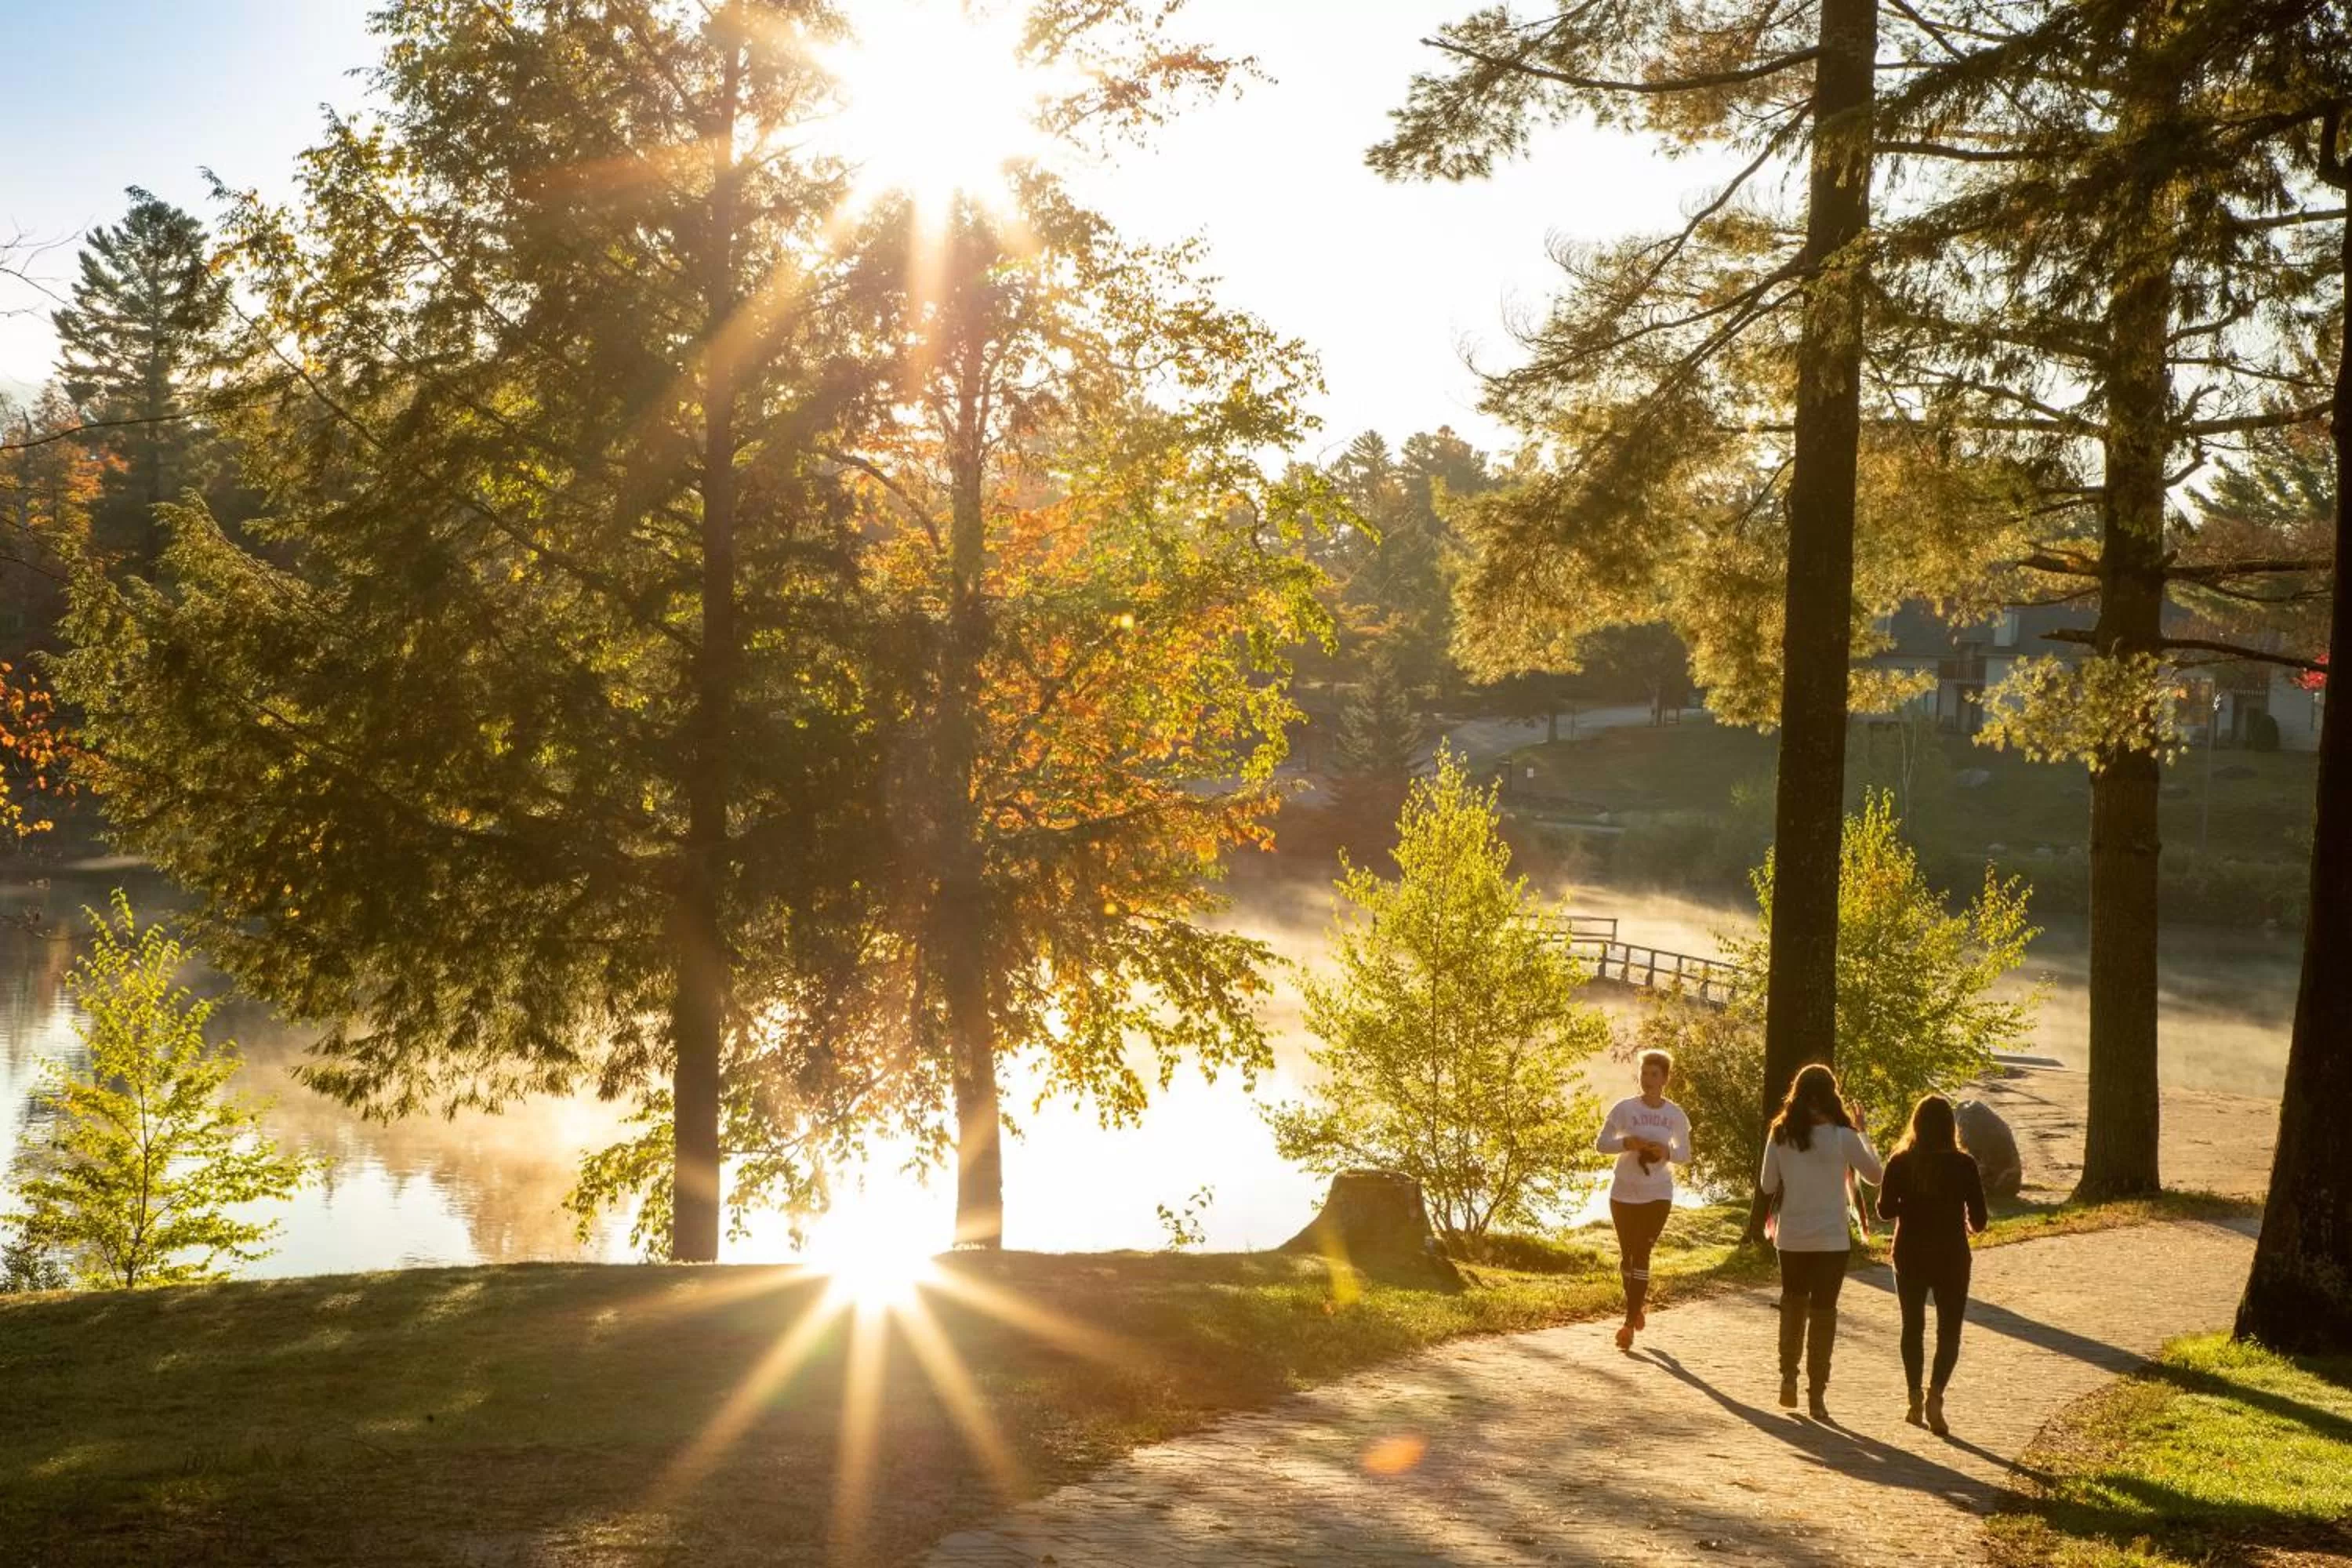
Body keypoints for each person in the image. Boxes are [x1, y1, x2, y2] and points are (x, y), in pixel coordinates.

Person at [1759, 1063, 1882, 1418]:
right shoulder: (1843, 1136)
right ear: (1831, 1095)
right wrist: (1863, 1132)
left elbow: (1768, 1186)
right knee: (1824, 1314)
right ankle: (1817, 1395)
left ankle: (1788, 1376)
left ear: (1797, 1094)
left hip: (1792, 1237)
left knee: (1793, 1304)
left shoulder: (1780, 1134)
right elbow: (1875, 1176)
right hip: (1831, 1239)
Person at [1876, 1093, 1988, 1435]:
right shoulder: (1964, 1165)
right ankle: (1936, 1394)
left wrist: (1907, 1202)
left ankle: (1913, 1396)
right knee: (1948, 1332)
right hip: (1951, 1256)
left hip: (1909, 1253)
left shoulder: (1900, 1162)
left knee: (1913, 1327)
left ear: (1917, 1124)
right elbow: (1980, 1220)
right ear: (1950, 1127)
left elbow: (1884, 1211)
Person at [1594, 1048, 1691, 1352]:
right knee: (1628, 1258)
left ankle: (1627, 1325)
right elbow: (1601, 1144)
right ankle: (1636, 1307)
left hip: (1658, 1194)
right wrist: (1626, 1143)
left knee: (1642, 1252)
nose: (1646, 1079)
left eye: (1653, 1074)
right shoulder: (1624, 1109)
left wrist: (1667, 1152)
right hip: (1623, 1193)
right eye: (1643, 1073)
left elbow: (1685, 1155)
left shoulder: (1675, 1115)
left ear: (1665, 1079)